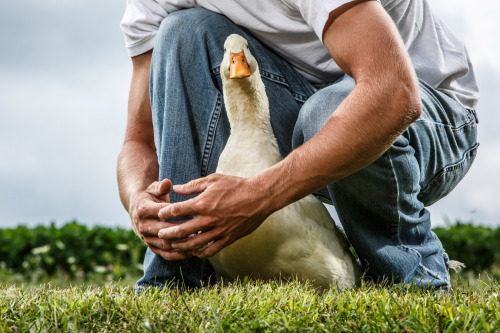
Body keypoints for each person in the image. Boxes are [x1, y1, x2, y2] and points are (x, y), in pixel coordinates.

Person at [118, 0, 479, 290]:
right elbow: (139, 141)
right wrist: (139, 200)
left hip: (427, 119)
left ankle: (409, 270)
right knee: (183, 31)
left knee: (330, 108)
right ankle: (176, 276)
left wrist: (257, 195)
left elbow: (393, 94)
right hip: (302, 106)